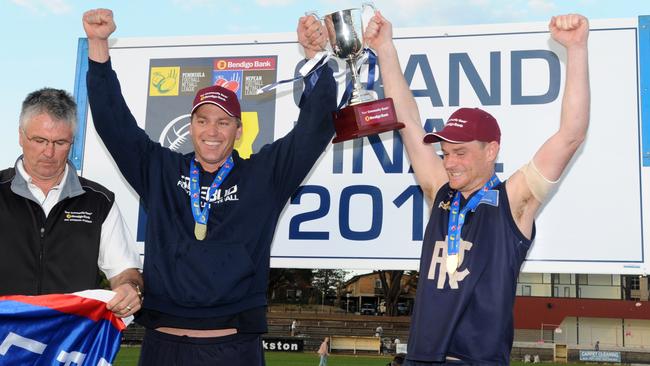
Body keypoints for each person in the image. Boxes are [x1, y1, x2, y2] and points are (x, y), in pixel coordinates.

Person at [82, 8, 334, 366]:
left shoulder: (264, 175)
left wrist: (315, 59)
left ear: (238, 129)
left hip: (233, 348)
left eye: (222, 122)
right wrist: (98, 45)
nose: (211, 132)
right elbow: (113, 123)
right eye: (202, 121)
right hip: (162, 348)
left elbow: (316, 129)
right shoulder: (161, 170)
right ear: (192, 124)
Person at [365, 12, 589, 364]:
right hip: (421, 358)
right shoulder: (441, 190)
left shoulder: (513, 201)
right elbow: (407, 120)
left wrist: (576, 49)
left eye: (460, 153)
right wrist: (384, 49)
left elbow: (570, 135)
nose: (449, 162)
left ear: (491, 150)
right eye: (445, 153)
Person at [0, 87, 143, 318]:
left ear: (73, 141)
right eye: (39, 140)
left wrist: (130, 288)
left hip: (68, 345)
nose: (49, 152)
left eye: (60, 142)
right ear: (20, 135)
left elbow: (125, 271)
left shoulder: (99, 202)